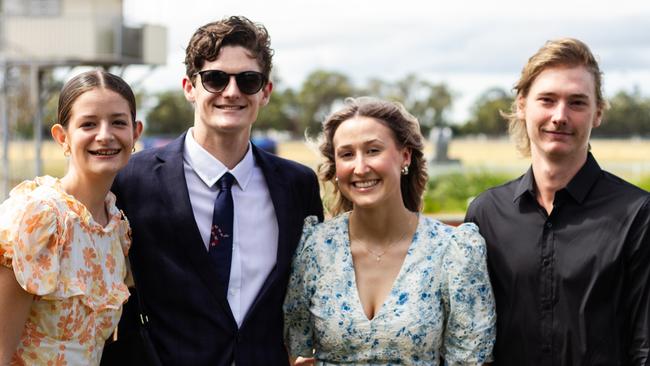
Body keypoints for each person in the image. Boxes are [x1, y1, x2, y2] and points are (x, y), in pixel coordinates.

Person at [100, 16, 323, 366]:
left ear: (265, 92)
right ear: (190, 87)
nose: (232, 92)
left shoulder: (298, 185)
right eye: (216, 78)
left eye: (248, 80)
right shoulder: (131, 179)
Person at [465, 38, 650, 365]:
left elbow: (645, 346)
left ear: (598, 114)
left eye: (577, 103)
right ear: (522, 105)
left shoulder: (639, 215)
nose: (560, 116)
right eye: (547, 100)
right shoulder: (485, 214)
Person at [284, 97, 496, 365]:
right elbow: (296, 350)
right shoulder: (314, 248)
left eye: (373, 150)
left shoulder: (453, 250)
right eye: (347, 154)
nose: (360, 168)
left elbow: (470, 359)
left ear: (404, 156)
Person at [0, 70, 143, 365]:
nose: (105, 135)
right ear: (62, 137)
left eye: (118, 122)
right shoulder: (39, 218)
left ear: (135, 133)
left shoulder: (115, 227)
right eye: (88, 124)